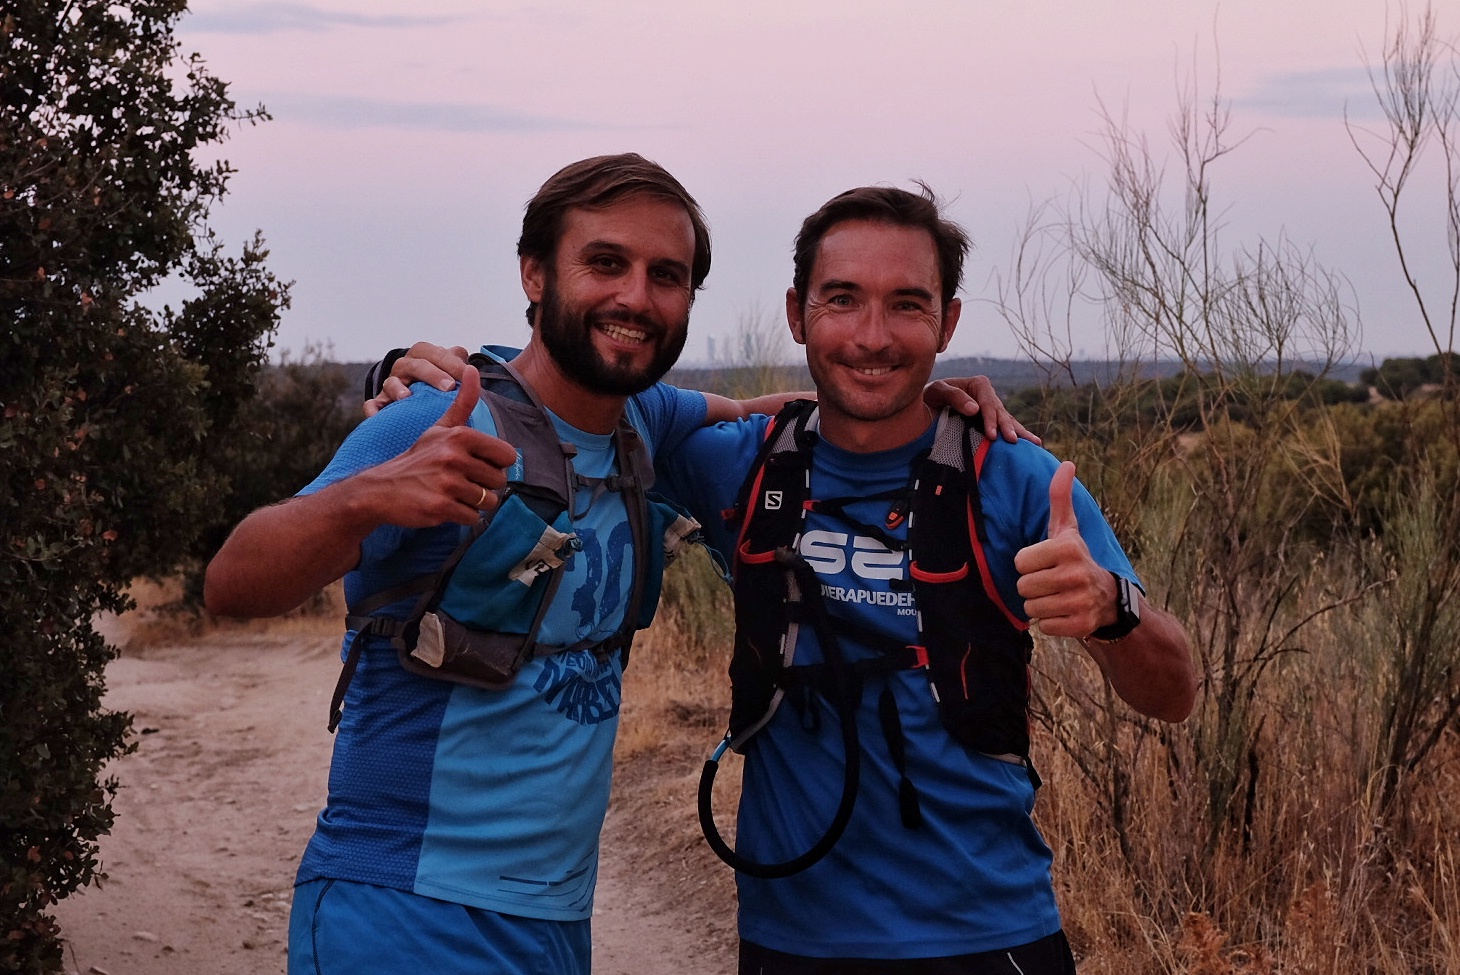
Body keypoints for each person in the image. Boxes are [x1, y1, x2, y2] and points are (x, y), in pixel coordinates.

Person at [205, 153, 1027, 975]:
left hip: (553, 924)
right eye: (605, 262)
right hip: (403, 911)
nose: (635, 296)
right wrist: (371, 495)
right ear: (534, 273)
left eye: (665, 275)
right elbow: (231, 584)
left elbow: (788, 415)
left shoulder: (647, 423)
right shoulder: (435, 419)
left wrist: (945, 400)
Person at [647, 186, 1197, 974]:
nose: (873, 336)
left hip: (988, 937)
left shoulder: (1016, 478)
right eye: (843, 300)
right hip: (788, 937)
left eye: (908, 305)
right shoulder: (735, 462)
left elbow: (1174, 693)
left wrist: (1113, 611)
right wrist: (412, 371)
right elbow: (580, 404)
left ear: (948, 322)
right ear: (798, 313)